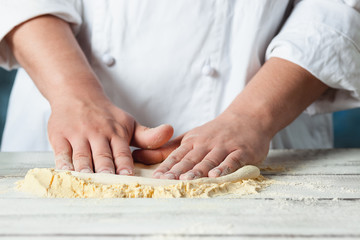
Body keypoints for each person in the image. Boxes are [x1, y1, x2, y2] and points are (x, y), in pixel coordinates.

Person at [0, 0, 359, 180]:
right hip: (64, 113)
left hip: (263, 113)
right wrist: (74, 93)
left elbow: (335, 8)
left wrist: (253, 115)